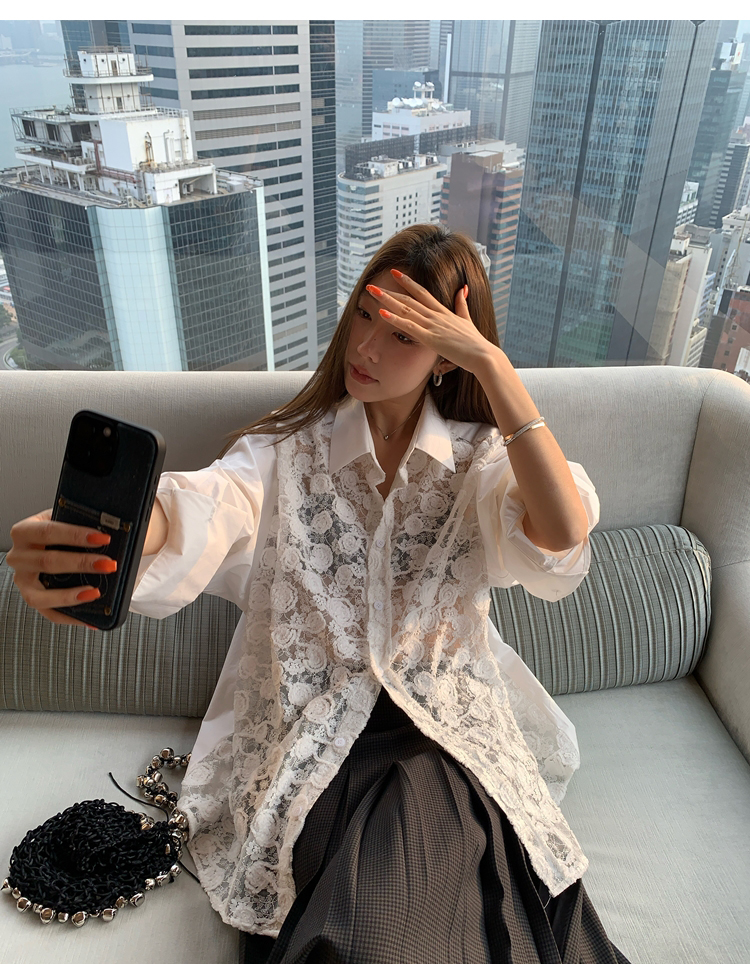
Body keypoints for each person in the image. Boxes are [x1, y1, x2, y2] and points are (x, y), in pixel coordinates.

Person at [8, 224, 632, 964]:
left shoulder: (484, 462)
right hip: (316, 738)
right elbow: (210, 503)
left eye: (403, 333)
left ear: (448, 354)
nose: (365, 346)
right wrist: (115, 534)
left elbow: (561, 531)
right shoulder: (285, 452)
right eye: (364, 314)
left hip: (445, 732)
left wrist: (493, 366)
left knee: (438, 883)